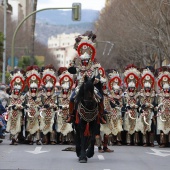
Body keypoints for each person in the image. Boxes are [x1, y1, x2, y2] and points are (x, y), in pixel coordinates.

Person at [137, 67, 156, 147]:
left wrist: (150, 105)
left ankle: (151, 142)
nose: (147, 90)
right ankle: (145, 142)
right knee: (144, 128)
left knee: (151, 128)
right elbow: (138, 105)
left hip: (150, 112)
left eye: (148, 88)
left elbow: (155, 105)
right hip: (144, 113)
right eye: (146, 88)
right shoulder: (140, 94)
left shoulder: (154, 94)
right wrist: (141, 109)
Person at [6, 69, 25, 145]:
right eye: (15, 89)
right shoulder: (10, 97)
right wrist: (10, 107)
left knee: (18, 125)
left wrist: (18, 106)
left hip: (19, 113)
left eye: (18, 90)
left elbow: (23, 105)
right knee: (12, 125)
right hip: (11, 113)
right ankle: (13, 139)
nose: (16, 91)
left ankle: (16, 138)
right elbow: (7, 105)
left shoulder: (22, 97)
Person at [40, 64, 58, 145]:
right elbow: (40, 104)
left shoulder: (55, 95)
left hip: (52, 112)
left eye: (50, 89)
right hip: (44, 112)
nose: (48, 90)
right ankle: (45, 138)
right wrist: (42, 107)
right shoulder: (42, 95)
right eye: (47, 89)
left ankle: (52, 139)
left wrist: (52, 106)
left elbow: (56, 104)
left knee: (52, 124)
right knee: (44, 123)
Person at [123, 64, 140, 146]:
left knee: (136, 126)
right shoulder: (125, 95)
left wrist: (136, 106)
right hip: (128, 112)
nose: (131, 90)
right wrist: (127, 107)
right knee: (127, 126)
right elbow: (123, 104)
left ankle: (136, 141)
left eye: (133, 88)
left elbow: (140, 104)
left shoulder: (137, 95)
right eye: (130, 88)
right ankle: (128, 141)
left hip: (135, 112)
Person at [24, 65, 42, 145]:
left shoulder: (40, 95)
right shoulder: (27, 95)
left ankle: (38, 139)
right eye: (32, 89)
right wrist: (27, 106)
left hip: (37, 112)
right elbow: (24, 104)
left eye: (35, 89)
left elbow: (42, 103)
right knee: (29, 124)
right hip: (29, 112)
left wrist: (40, 106)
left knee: (38, 125)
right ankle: (29, 139)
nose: (34, 90)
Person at [156, 66, 170, 147]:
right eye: (165, 90)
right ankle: (163, 142)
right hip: (162, 113)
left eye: (167, 90)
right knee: (162, 128)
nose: (166, 91)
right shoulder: (160, 95)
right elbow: (157, 104)